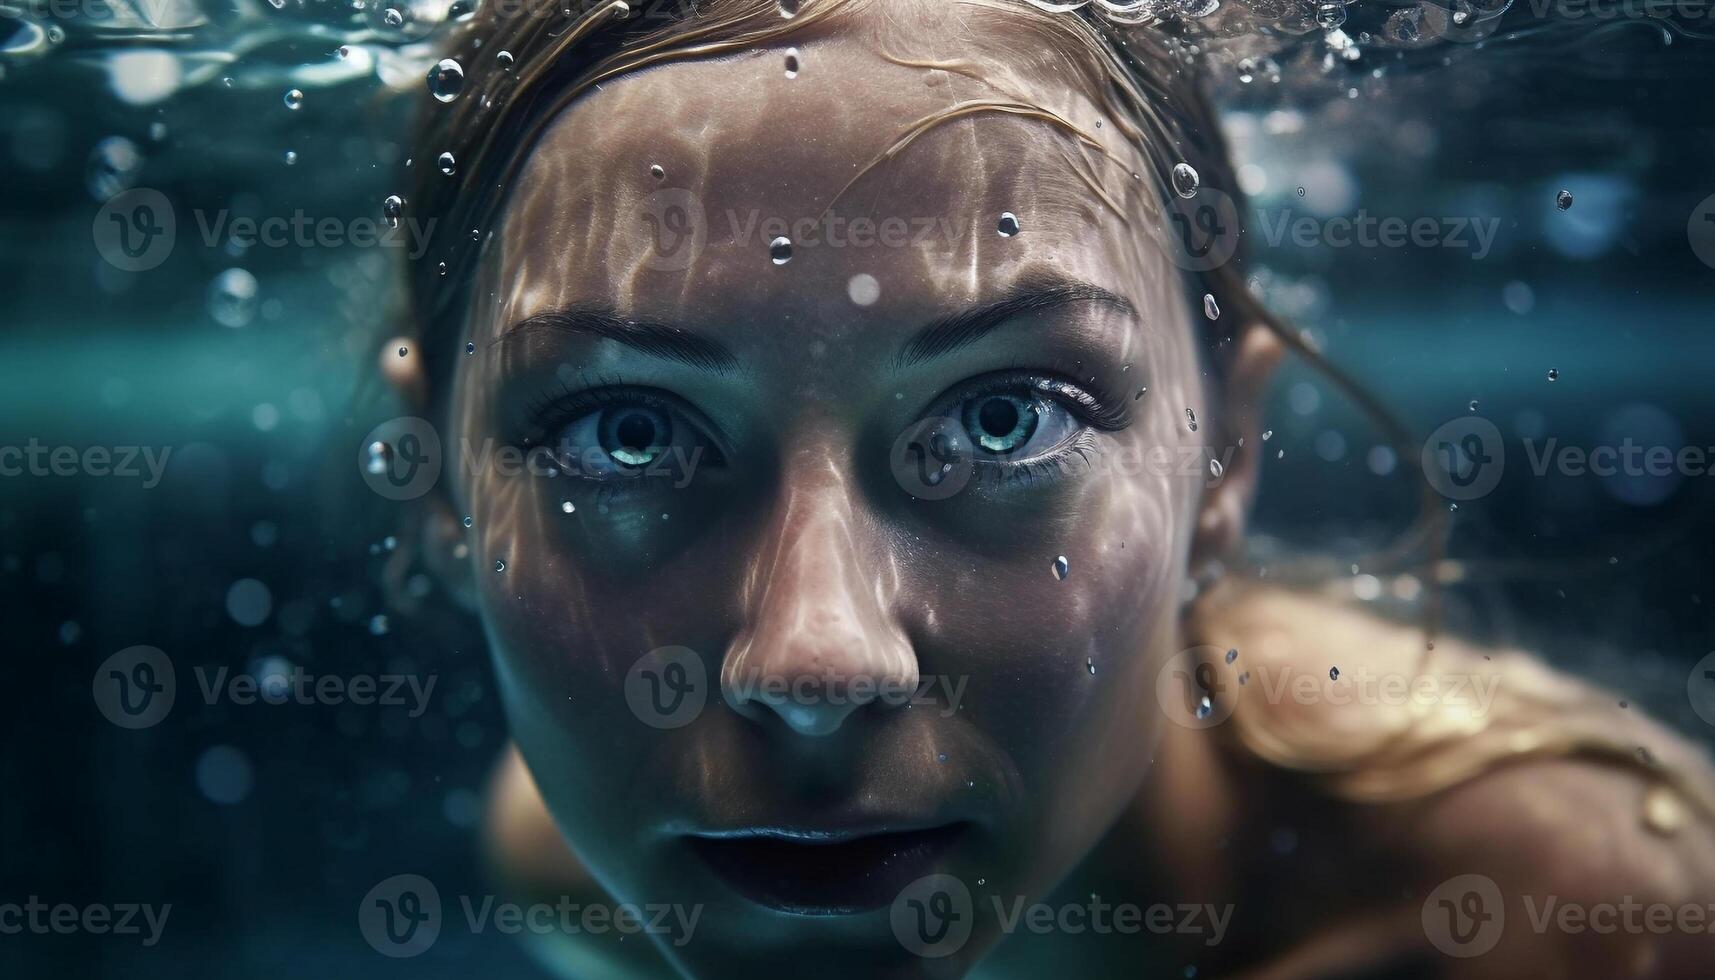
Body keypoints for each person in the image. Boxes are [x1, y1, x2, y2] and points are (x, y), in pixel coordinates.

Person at [380, 0, 1715, 975]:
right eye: (623, 435)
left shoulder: (1582, 913)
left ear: (1224, 456)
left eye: (1006, 418)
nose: (815, 659)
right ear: (438, 482)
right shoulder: (576, 878)